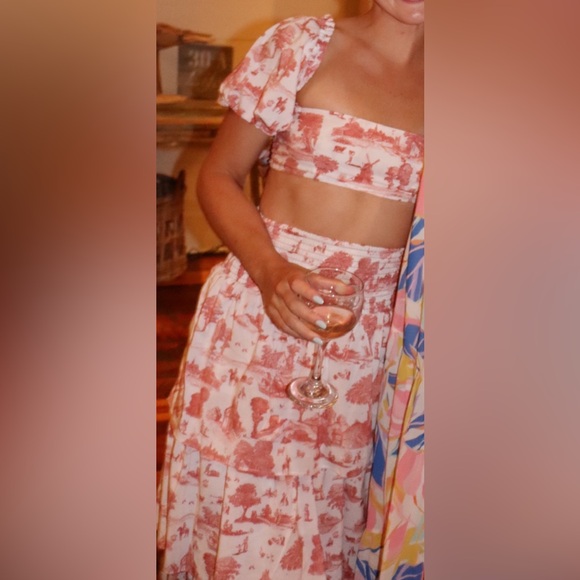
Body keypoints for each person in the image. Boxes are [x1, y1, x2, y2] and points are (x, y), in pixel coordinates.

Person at [157, 1, 424, 578]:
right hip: (262, 316)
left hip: (381, 346)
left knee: (340, 535)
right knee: (251, 531)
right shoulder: (303, 45)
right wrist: (270, 270)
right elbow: (220, 175)